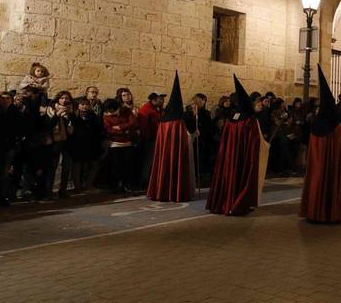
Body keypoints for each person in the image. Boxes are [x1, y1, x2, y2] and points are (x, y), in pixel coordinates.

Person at [207, 77, 269, 216]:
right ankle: (237, 203)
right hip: (242, 156)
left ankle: (223, 203)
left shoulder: (232, 118)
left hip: (228, 156)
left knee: (228, 176)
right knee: (241, 177)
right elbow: (253, 142)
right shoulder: (249, 120)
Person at [299, 67, 341, 223]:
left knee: (316, 180)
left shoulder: (316, 123)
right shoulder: (335, 126)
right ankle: (330, 211)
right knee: (330, 183)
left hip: (317, 167)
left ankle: (314, 210)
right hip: (332, 167)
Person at [146, 73, 195, 203]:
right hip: (176, 151)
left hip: (164, 151)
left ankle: (161, 190)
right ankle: (175, 192)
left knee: (164, 165)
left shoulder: (163, 119)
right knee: (175, 165)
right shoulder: (178, 122)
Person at [102, 96, 139, 193]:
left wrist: (120, 127)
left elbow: (133, 122)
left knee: (128, 165)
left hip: (128, 143)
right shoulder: (107, 116)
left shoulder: (126, 111)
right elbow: (109, 130)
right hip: (115, 143)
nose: (111, 112)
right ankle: (116, 185)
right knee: (116, 166)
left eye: (112, 110)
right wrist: (125, 131)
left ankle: (127, 185)